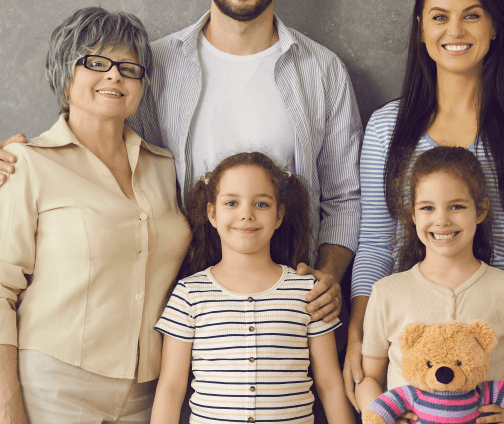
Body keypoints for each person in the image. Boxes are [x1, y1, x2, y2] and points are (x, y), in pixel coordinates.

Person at [0, 0, 361, 325]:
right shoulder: (154, 66)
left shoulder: (322, 71)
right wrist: (21, 157)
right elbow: (103, 148)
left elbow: (344, 196)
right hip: (178, 309)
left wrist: (327, 275)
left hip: (291, 308)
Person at [346, 0, 504, 421]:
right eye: (439, 16)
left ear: (494, 28)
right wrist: (357, 334)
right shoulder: (388, 127)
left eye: (471, 14)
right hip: (414, 363)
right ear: (421, 31)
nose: (455, 30)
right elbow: (374, 243)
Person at [0, 7, 192, 423]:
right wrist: (7, 411)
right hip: (56, 389)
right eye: (95, 62)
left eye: (129, 67)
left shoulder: (165, 167)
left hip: (150, 394)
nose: (114, 76)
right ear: (64, 74)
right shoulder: (23, 164)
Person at [150, 152, 354, 424]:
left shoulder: (308, 292)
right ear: (212, 212)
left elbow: (330, 385)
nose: (246, 214)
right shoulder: (189, 294)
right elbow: (171, 388)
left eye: (261, 204)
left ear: (279, 215)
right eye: (232, 202)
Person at [354, 147, 504, 424]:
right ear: (413, 214)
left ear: (480, 210)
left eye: (456, 206)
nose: (442, 220)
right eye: (427, 208)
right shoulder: (386, 292)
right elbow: (369, 377)